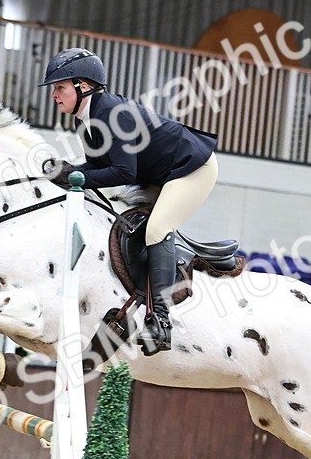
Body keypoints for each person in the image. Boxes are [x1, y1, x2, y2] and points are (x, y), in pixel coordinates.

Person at [38, 47, 219, 355]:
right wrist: (69, 171)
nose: (54, 95)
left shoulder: (112, 113)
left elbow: (123, 171)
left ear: (83, 86)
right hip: (156, 174)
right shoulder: (85, 118)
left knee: (157, 229)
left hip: (192, 168)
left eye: (60, 87)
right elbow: (98, 169)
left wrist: (75, 177)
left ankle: (160, 322)